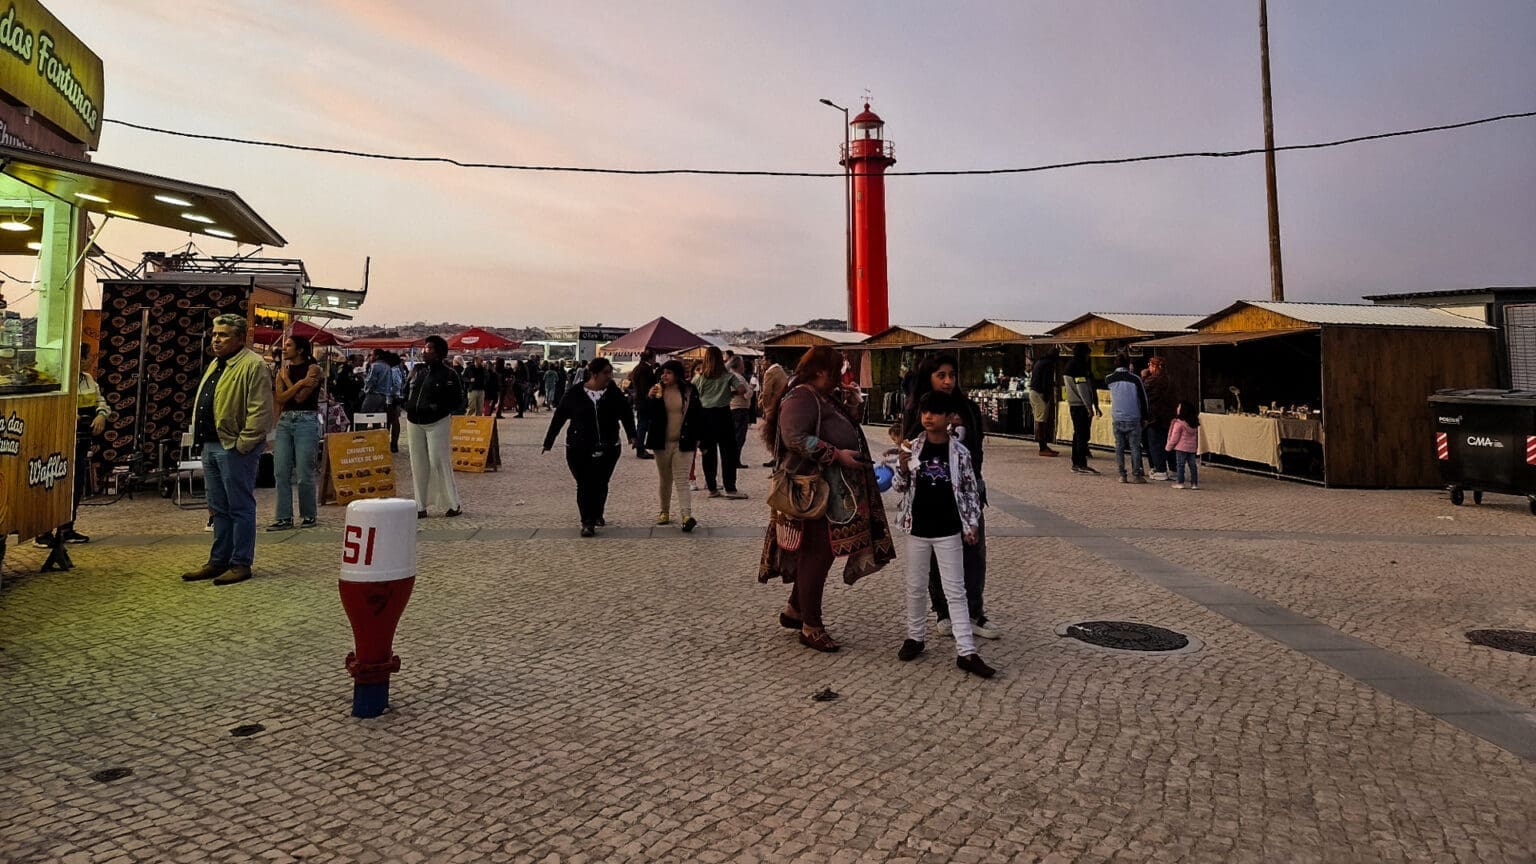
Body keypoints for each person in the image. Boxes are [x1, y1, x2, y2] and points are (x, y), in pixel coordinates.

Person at [758, 346, 895, 653]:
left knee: (821, 552)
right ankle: (811, 626)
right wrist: (837, 455)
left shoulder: (819, 395)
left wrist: (851, 407)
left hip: (832, 490)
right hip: (813, 490)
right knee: (816, 554)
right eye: (836, 371)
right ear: (821, 371)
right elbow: (794, 437)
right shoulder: (801, 396)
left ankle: (796, 609)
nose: (840, 378)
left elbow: (833, 428)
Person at [893, 390, 996, 678]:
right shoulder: (912, 448)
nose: (928, 417)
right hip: (917, 528)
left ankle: (966, 650)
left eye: (935, 413)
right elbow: (900, 489)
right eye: (924, 412)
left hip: (949, 529)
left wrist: (971, 524)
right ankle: (915, 637)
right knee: (915, 586)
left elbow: (970, 491)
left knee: (956, 590)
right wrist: (901, 469)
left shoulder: (960, 453)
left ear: (949, 418)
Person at [180, 314, 274, 586]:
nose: (216, 340)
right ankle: (218, 561)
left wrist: (244, 443)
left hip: (233, 446)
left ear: (239, 338)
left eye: (223, 335)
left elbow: (261, 410)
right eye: (214, 335)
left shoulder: (253, 365)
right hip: (211, 443)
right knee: (218, 507)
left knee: (240, 506)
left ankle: (241, 562)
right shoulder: (216, 364)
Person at [543, 357, 636, 536]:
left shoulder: (613, 393)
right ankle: (587, 521)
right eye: (605, 373)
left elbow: (626, 414)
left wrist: (632, 435)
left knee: (601, 483)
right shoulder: (574, 393)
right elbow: (559, 418)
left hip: (609, 445)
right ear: (593, 374)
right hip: (579, 446)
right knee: (584, 484)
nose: (609, 377)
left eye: (610, 373)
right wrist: (549, 441)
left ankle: (597, 513)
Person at [35, 343, 111, 548]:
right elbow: (49, 405)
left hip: (80, 440)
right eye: (87, 357)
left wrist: (101, 416)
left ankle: (67, 528)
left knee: (75, 485)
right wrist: (69, 413)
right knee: (53, 484)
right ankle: (43, 532)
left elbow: (101, 401)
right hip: (57, 443)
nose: (89, 361)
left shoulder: (88, 380)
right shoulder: (58, 380)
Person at [403, 335, 465, 518]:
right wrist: (406, 404)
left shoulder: (449, 374)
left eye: (429, 349)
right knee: (418, 463)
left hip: (437, 421)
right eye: (424, 348)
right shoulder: (416, 370)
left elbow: (457, 400)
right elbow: (407, 390)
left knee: (439, 461)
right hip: (414, 420)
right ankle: (420, 505)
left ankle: (453, 503)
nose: (424, 352)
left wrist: (438, 407)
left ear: (439, 353)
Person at [268, 334, 323, 531]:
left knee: (304, 472)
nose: (284, 349)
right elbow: (281, 398)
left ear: (300, 349)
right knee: (280, 471)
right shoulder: (283, 370)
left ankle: (308, 515)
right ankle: (283, 517)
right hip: (285, 421)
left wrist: (292, 382)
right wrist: (299, 383)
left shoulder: (313, 369)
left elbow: (300, 398)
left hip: (306, 420)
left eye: (289, 345)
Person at [641, 359, 703, 532]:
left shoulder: (690, 391)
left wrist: (701, 439)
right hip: (661, 442)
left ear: (677, 374)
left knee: (682, 479)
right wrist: (650, 398)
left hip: (684, 441)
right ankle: (664, 511)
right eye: (663, 372)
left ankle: (687, 515)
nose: (664, 376)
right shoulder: (658, 391)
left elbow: (697, 414)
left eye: (668, 372)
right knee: (665, 479)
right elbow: (645, 414)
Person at [693, 346, 749, 499]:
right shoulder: (727, 375)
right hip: (723, 414)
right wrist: (729, 393)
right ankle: (730, 488)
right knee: (728, 452)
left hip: (705, 416)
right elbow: (742, 389)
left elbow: (692, 393)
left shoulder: (700, 377)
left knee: (708, 453)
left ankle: (712, 488)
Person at [1106, 350, 1151, 484]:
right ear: (1128, 364)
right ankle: (1136, 474)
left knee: (1119, 447)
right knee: (1135, 447)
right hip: (1133, 417)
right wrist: (1145, 417)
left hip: (1117, 417)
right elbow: (1143, 399)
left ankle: (1122, 475)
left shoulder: (1109, 379)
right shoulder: (1135, 379)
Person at [1064, 343, 1101, 475]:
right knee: (1082, 434)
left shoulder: (1070, 365)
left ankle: (1076, 462)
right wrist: (1089, 407)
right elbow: (1082, 388)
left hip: (1074, 404)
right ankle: (1080, 463)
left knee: (1078, 434)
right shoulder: (1078, 367)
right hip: (1080, 405)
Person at [1141, 356, 1176, 480]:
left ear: (1154, 366)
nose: (1148, 368)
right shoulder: (1170, 378)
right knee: (1170, 443)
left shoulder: (1152, 380)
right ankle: (1173, 469)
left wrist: (1144, 376)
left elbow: (1143, 392)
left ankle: (1161, 470)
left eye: (1150, 365)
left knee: (1156, 443)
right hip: (1169, 416)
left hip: (1155, 417)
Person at [1028, 345, 1061, 457]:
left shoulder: (1041, 361)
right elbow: (1046, 381)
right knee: (1041, 421)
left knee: (1040, 420)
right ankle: (1042, 447)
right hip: (1039, 393)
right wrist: (1047, 396)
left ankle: (1044, 445)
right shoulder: (1048, 364)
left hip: (1035, 392)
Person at [757, 357, 789, 467]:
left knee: (772, 433)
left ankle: (776, 456)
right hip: (782, 403)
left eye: (764, 360)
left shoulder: (770, 373)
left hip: (773, 405)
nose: (762, 363)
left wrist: (764, 406)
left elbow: (767, 392)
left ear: (769, 361)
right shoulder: (780, 371)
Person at [629, 350, 659, 460]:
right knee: (643, 425)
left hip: (639, 400)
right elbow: (645, 387)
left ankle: (639, 444)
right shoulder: (645, 369)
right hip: (645, 401)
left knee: (642, 424)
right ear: (650, 358)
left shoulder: (637, 368)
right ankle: (640, 448)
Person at [1166, 401, 1202, 490]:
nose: (1177, 408)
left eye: (1179, 407)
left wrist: (1168, 447)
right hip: (1191, 448)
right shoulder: (1194, 423)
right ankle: (1194, 483)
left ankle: (1180, 482)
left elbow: (1174, 437)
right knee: (1192, 465)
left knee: (1180, 465)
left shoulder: (1178, 424)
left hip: (1181, 448)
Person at [728, 354, 753, 470]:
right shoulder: (739, 378)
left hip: (732, 408)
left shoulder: (728, 376)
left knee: (733, 435)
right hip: (740, 409)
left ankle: (733, 459)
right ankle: (735, 460)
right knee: (739, 436)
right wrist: (751, 389)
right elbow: (747, 394)